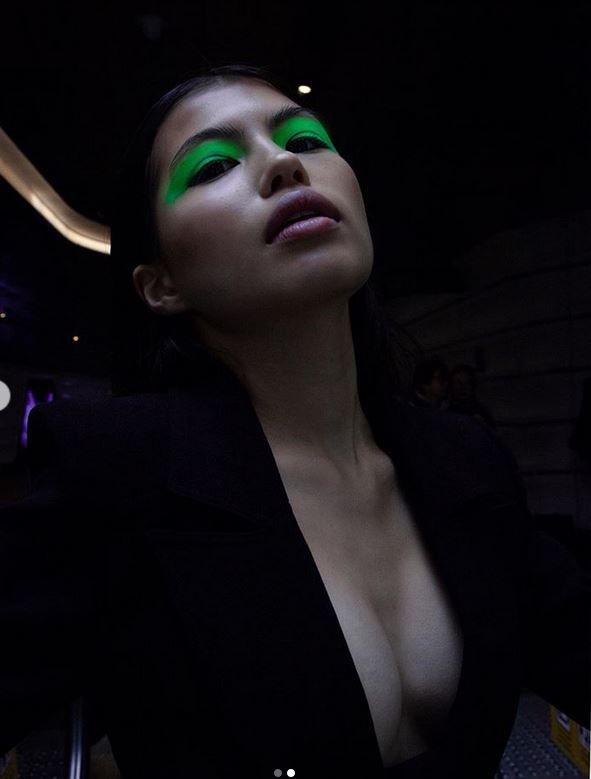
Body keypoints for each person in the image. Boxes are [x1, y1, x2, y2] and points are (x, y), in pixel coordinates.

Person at [0, 63, 589, 779]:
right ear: (161, 285)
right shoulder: (115, 471)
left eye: (306, 141)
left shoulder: (467, 460)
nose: (284, 164)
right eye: (214, 165)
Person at [446, 363, 496, 429]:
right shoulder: (445, 412)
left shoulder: (481, 413)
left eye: (468, 383)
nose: (463, 387)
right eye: (458, 383)